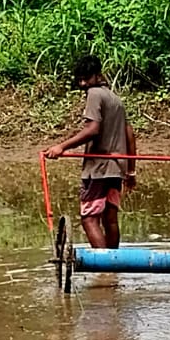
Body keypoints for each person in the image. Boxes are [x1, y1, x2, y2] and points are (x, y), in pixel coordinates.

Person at [44, 55, 137, 249]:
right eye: (80, 79)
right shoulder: (115, 98)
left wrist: (61, 146)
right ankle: (114, 266)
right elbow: (130, 133)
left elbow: (92, 129)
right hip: (117, 166)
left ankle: (104, 267)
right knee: (110, 217)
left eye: (87, 78)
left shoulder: (94, 94)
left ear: (98, 75)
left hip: (99, 167)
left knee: (89, 218)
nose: (83, 83)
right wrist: (130, 170)